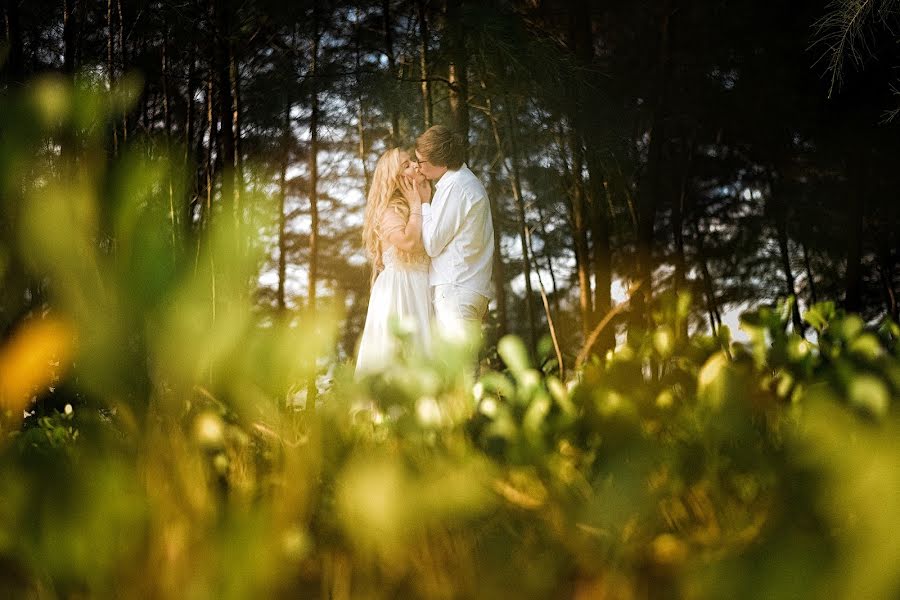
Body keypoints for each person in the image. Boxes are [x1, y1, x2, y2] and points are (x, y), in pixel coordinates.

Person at [355, 148, 432, 376]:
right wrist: (418, 203)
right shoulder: (389, 210)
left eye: (412, 162)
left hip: (421, 286)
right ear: (394, 178)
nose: (415, 166)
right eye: (406, 165)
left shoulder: (412, 206)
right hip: (400, 289)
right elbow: (408, 242)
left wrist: (423, 201)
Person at [414, 125, 494, 344]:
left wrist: (423, 203)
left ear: (440, 160)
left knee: (460, 371)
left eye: (421, 161)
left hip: (456, 288)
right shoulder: (463, 182)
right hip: (466, 286)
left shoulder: (456, 187)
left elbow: (431, 243)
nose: (419, 168)